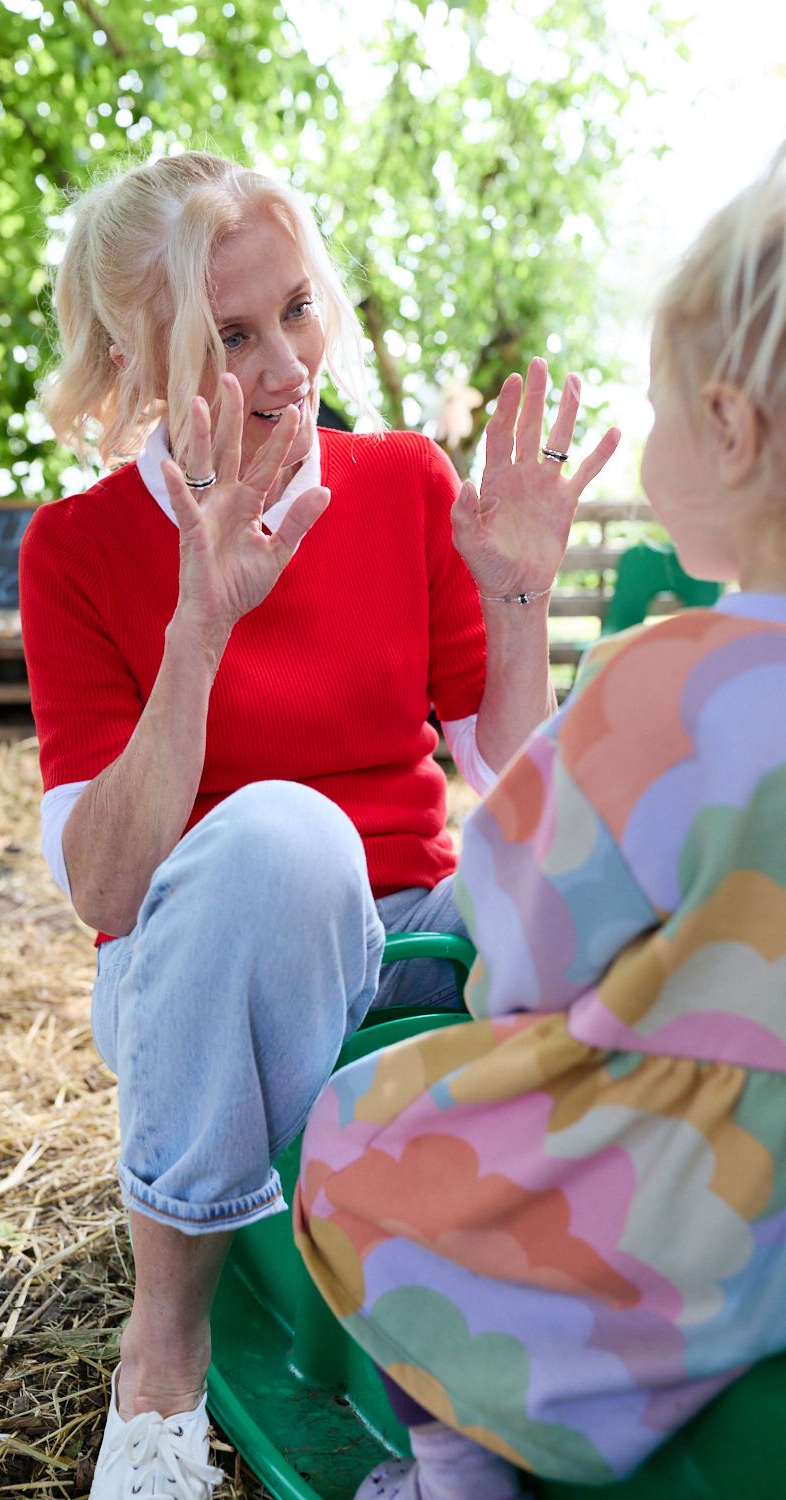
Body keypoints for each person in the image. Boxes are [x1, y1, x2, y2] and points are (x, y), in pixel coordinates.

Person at [18, 150, 618, 1499]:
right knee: (284, 837)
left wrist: (519, 596)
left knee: (622, 880)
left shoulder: (401, 482)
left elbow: (524, 798)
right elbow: (105, 887)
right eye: (230, 337)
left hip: (413, 937)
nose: (288, 365)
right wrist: (201, 626)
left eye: (295, 308)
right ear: (135, 361)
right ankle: (163, 1355)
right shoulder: (77, 551)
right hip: (205, 961)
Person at [295, 141, 786, 1499]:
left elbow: (523, 945)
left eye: (657, 408)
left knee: (358, 1137)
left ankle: (458, 1469)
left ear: (730, 429)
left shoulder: (670, 681)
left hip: (696, 1186)